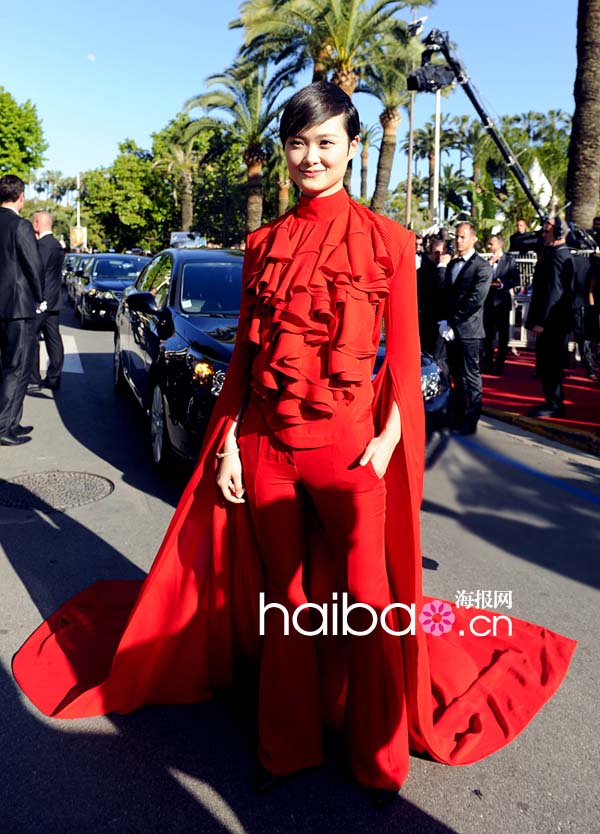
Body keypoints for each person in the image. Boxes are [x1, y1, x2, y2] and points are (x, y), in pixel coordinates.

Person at [13, 84, 575, 803]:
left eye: (326, 143)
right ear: (284, 150)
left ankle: (379, 759)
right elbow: (246, 362)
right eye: (298, 143)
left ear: (353, 147)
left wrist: (384, 445)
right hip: (267, 451)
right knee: (287, 598)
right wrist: (230, 447)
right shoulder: (262, 244)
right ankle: (287, 742)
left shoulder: (391, 242)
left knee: (370, 601)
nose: (311, 157)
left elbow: (403, 363)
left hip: (351, 456)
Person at [0, 174, 45, 447]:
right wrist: (41, 298)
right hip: (18, 308)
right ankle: (5, 426)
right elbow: (33, 264)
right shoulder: (21, 225)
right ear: (20, 197)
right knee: (16, 369)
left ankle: (12, 421)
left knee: (6, 369)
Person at [438, 222, 492, 434]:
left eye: (462, 237)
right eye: (456, 237)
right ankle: (457, 416)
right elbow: (447, 296)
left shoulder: (482, 266)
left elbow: (475, 300)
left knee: (471, 376)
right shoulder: (452, 264)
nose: (458, 241)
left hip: (469, 331)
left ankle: (472, 420)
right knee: (456, 375)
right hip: (451, 330)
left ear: (473, 239)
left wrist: (453, 322)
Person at [525, 216, 574, 417]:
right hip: (554, 322)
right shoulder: (555, 254)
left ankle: (554, 404)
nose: (543, 235)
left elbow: (554, 291)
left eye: (546, 231)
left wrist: (541, 322)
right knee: (547, 364)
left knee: (550, 364)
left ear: (559, 233)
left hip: (553, 323)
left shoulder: (558, 256)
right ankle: (552, 401)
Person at [28, 211, 65, 392]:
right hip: (54, 300)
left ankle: (33, 378)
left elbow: (37, 273)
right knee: (54, 340)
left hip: (40, 301)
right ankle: (54, 376)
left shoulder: (42, 245)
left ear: (36, 223)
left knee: (32, 339)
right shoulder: (56, 244)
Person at [482, 234, 521, 375]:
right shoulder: (486, 261)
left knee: (503, 336)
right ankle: (488, 363)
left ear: (499, 245)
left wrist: (503, 285)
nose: (488, 246)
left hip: (502, 303)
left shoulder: (510, 260)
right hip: (488, 303)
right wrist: (489, 263)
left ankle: (500, 364)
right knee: (488, 336)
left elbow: (516, 280)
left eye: (491, 244)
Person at [417, 236, 448, 359]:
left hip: (442, 322)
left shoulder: (448, 269)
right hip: (425, 320)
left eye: (442, 253)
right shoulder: (421, 272)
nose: (439, 256)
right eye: (436, 253)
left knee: (439, 359)